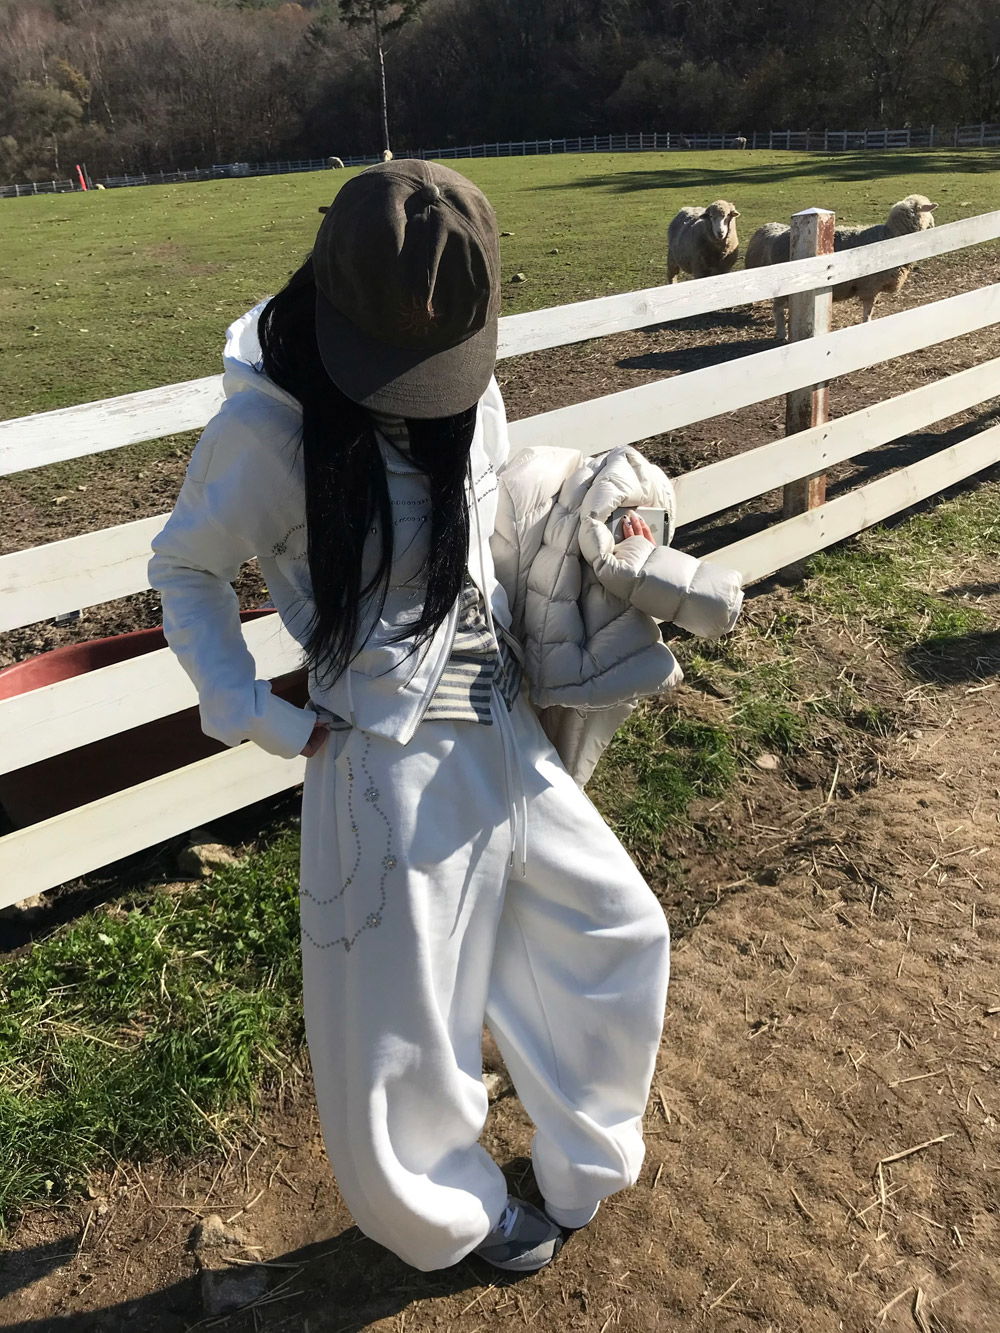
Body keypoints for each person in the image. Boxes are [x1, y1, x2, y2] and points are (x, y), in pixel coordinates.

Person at [148, 160, 674, 1275]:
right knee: (407, 1019)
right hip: (384, 757)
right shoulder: (265, 431)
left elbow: (489, 507)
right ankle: (449, 1216)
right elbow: (186, 567)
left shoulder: (463, 382)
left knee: (616, 928)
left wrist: (592, 519)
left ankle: (584, 1159)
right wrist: (252, 711)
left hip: (502, 718)